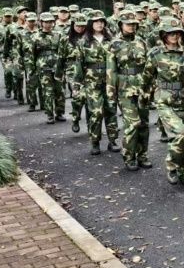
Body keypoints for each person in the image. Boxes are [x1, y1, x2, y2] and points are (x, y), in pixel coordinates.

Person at [143, 19, 184, 187]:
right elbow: (147, 76)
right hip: (164, 100)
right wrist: (143, 95)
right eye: (171, 32)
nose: (174, 35)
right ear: (163, 35)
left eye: (177, 32)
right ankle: (172, 166)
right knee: (179, 133)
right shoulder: (155, 53)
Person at [107, 9, 151, 171]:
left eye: (134, 24)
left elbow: (148, 66)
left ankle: (142, 155)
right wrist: (111, 93)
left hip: (142, 87)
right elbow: (110, 71)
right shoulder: (114, 44)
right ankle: (129, 156)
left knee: (144, 123)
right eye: (128, 24)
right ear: (120, 25)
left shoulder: (142, 42)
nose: (131, 26)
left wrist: (151, 86)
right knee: (132, 124)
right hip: (124, 88)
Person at [73, 10, 120, 155]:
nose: (99, 24)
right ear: (90, 24)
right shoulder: (84, 42)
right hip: (91, 82)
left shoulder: (111, 40)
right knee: (96, 112)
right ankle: (95, 142)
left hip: (109, 81)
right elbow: (79, 65)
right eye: (96, 21)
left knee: (111, 110)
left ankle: (112, 140)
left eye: (101, 21)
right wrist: (77, 85)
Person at [31, 12, 65, 124]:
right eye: (46, 22)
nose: (49, 24)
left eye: (50, 22)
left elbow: (63, 50)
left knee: (60, 90)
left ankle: (60, 113)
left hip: (57, 66)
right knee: (48, 91)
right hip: (43, 66)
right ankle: (50, 115)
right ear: (41, 23)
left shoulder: (58, 35)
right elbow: (32, 53)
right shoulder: (35, 36)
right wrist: (34, 68)